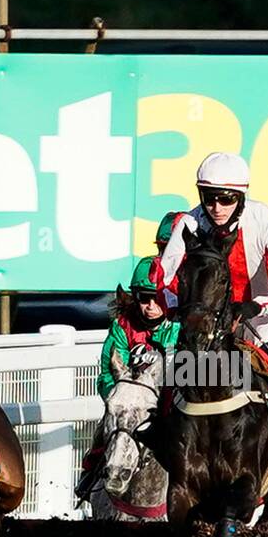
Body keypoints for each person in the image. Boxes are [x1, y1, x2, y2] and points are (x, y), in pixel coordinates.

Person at [154, 151, 268, 456]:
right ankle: (160, 427)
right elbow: (165, 279)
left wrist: (253, 308)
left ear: (241, 197)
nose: (216, 207)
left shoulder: (266, 221)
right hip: (206, 322)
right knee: (180, 367)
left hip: (257, 318)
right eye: (209, 198)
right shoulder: (190, 223)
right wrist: (181, 308)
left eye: (226, 199)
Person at [73, 215, 183, 502]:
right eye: (143, 298)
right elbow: (106, 371)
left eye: (155, 299)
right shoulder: (123, 325)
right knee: (109, 426)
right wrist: (116, 397)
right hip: (131, 403)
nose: (148, 306)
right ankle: (91, 474)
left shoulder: (180, 325)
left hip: (170, 404)